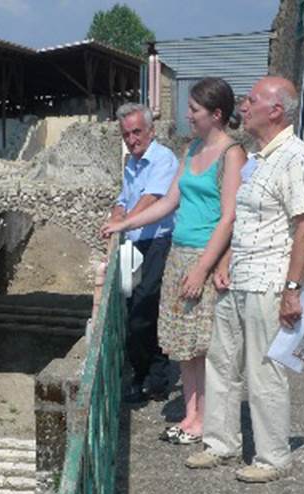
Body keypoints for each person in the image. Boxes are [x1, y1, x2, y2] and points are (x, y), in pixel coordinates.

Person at [186, 76, 304, 482]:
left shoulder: (296, 157)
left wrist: (292, 290)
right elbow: (242, 218)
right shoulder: (259, 157)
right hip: (238, 278)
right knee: (222, 363)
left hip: (268, 281)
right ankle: (220, 443)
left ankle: (273, 457)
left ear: (275, 110)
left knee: (264, 371)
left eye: (251, 100)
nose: (243, 106)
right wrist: (225, 260)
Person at [103, 79, 246, 444]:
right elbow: (168, 202)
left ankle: (207, 420)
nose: (188, 115)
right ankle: (191, 415)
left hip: (204, 256)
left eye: (194, 110)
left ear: (216, 114)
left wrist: (203, 268)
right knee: (185, 343)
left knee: (205, 344)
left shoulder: (231, 154)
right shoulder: (192, 149)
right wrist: (124, 224)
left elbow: (229, 217)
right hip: (180, 253)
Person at [104, 103, 178, 401]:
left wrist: (122, 223)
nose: (132, 139)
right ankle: (141, 373)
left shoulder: (163, 159)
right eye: (126, 134)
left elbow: (152, 199)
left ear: (151, 131)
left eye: (136, 132)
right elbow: (124, 199)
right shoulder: (132, 163)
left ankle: (156, 378)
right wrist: (117, 214)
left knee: (145, 308)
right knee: (132, 306)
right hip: (133, 244)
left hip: (156, 242)